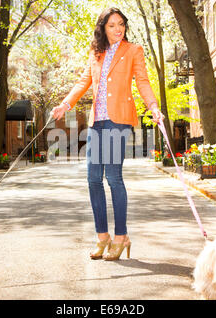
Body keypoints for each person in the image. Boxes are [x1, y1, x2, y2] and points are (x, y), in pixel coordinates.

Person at [52, 7, 164, 261]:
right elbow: (83, 81)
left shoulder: (133, 50)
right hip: (97, 122)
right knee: (93, 179)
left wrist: (153, 106)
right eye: (112, 25)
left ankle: (121, 236)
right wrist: (65, 104)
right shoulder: (96, 52)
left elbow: (143, 81)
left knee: (113, 178)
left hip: (118, 121)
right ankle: (102, 237)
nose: (118, 29)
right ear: (103, 28)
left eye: (121, 24)